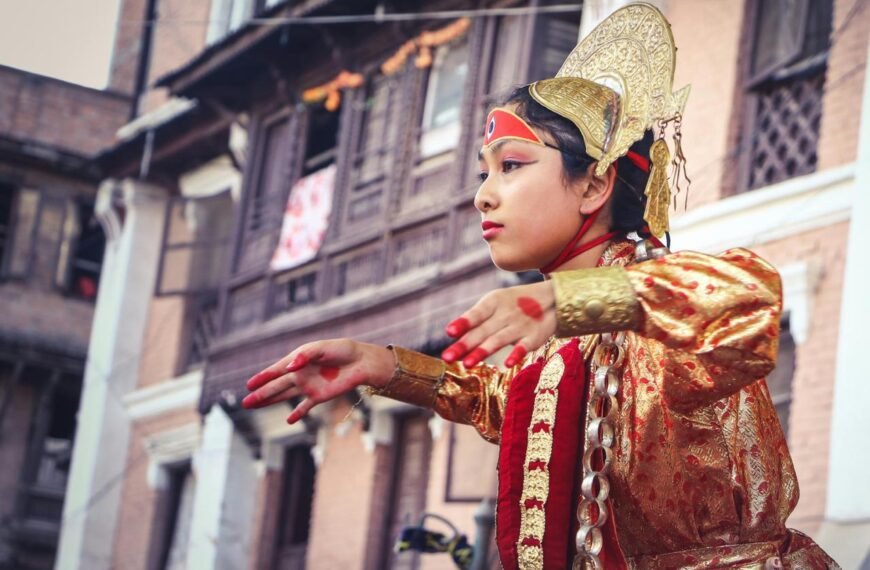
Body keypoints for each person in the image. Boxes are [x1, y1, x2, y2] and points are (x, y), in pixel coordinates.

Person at [242, 4, 839, 569]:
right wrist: (385, 368)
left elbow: (752, 298)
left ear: (592, 186)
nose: (483, 195)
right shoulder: (565, 335)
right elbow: (514, 405)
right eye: (484, 172)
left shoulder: (651, 311)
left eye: (512, 165)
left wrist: (569, 301)